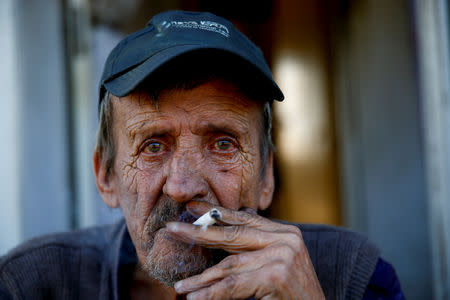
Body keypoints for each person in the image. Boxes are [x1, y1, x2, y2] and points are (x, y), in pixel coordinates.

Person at [0, 10, 405, 300]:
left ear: (266, 177)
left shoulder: (355, 277)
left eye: (223, 143)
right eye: (153, 146)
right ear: (105, 176)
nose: (182, 186)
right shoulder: (31, 284)